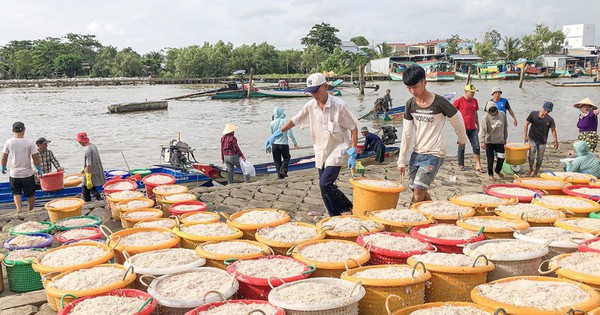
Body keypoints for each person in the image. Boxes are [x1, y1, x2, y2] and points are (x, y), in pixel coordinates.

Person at [265, 72, 358, 217]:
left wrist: (353, 151)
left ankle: (347, 207)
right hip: (321, 150)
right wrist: (277, 133)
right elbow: (295, 120)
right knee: (323, 188)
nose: (314, 95)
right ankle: (334, 216)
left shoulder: (339, 105)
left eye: (317, 91)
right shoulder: (311, 106)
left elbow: (353, 128)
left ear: (325, 86)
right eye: (311, 92)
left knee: (325, 183)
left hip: (337, 149)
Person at [397, 65, 468, 203]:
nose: (412, 91)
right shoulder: (410, 104)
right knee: (415, 188)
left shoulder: (440, 102)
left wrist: (462, 139)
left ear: (424, 82)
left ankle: (412, 218)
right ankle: (433, 211)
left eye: (415, 87)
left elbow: (457, 119)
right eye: (408, 88)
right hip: (417, 152)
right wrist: (401, 160)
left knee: (418, 190)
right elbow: (406, 134)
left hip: (435, 153)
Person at [1, 122, 43, 211]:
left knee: (16, 193)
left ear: (13, 130)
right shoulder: (29, 142)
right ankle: (30, 210)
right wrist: (39, 169)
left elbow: (4, 156)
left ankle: (19, 209)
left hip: (14, 173)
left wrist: (3, 166)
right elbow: (35, 157)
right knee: (31, 194)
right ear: (24, 130)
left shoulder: (8, 142)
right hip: (27, 173)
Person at [453, 84, 483, 172]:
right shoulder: (459, 101)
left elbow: (475, 114)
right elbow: (451, 113)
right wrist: (456, 126)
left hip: (472, 127)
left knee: (476, 146)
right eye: (471, 92)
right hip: (462, 127)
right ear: (466, 92)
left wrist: (478, 125)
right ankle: (461, 164)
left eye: (474, 92)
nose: (473, 94)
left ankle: (478, 164)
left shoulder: (475, 101)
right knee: (462, 145)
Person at [524, 102, 558, 177]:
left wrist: (556, 141)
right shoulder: (533, 114)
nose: (546, 112)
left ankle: (536, 171)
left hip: (542, 141)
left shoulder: (550, 119)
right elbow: (526, 123)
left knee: (540, 158)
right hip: (532, 139)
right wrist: (525, 136)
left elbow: (553, 130)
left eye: (548, 111)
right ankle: (530, 168)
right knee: (531, 155)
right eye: (545, 110)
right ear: (542, 108)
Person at [479, 101, 508, 180]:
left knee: (501, 158)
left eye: (494, 111)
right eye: (491, 111)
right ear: (488, 111)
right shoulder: (485, 118)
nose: (493, 113)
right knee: (490, 159)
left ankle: (497, 170)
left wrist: (505, 137)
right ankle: (490, 174)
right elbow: (482, 130)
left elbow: (505, 126)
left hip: (500, 141)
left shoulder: (502, 114)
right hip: (489, 141)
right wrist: (482, 142)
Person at [269, 107, 299, 179]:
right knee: (286, 158)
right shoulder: (286, 121)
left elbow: (273, 135)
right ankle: (283, 170)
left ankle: (280, 176)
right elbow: (290, 134)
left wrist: (270, 144)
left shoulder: (272, 123)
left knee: (277, 160)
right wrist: (295, 143)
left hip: (275, 145)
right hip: (284, 144)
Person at [76, 132, 106, 202]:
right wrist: (84, 168)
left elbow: (89, 164)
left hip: (91, 171)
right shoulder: (93, 146)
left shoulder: (87, 150)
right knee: (92, 187)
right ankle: (98, 198)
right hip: (96, 169)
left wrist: (88, 177)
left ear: (80, 141)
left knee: (85, 188)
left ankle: (89, 201)